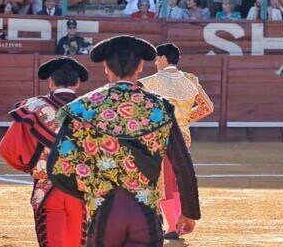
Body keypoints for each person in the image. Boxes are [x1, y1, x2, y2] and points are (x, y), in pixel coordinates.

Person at [48, 35, 201, 245]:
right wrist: (189, 211)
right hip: (145, 210)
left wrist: (93, 192)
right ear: (140, 66)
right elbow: (183, 165)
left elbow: (58, 169)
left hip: (104, 210)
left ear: (105, 67)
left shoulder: (81, 108)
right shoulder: (160, 108)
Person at [0, 57, 88, 247]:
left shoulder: (34, 107)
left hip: (47, 187)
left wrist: (31, 166)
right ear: (77, 82)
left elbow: (8, 149)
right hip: (83, 190)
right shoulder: (92, 109)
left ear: (50, 82)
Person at [140, 43, 214, 239]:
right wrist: (184, 119)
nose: (156, 63)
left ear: (163, 58)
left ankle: (173, 225)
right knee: (179, 176)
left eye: (157, 59)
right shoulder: (190, 79)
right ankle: (179, 221)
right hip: (183, 134)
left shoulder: (150, 82)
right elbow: (207, 107)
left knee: (164, 181)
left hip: (160, 137)